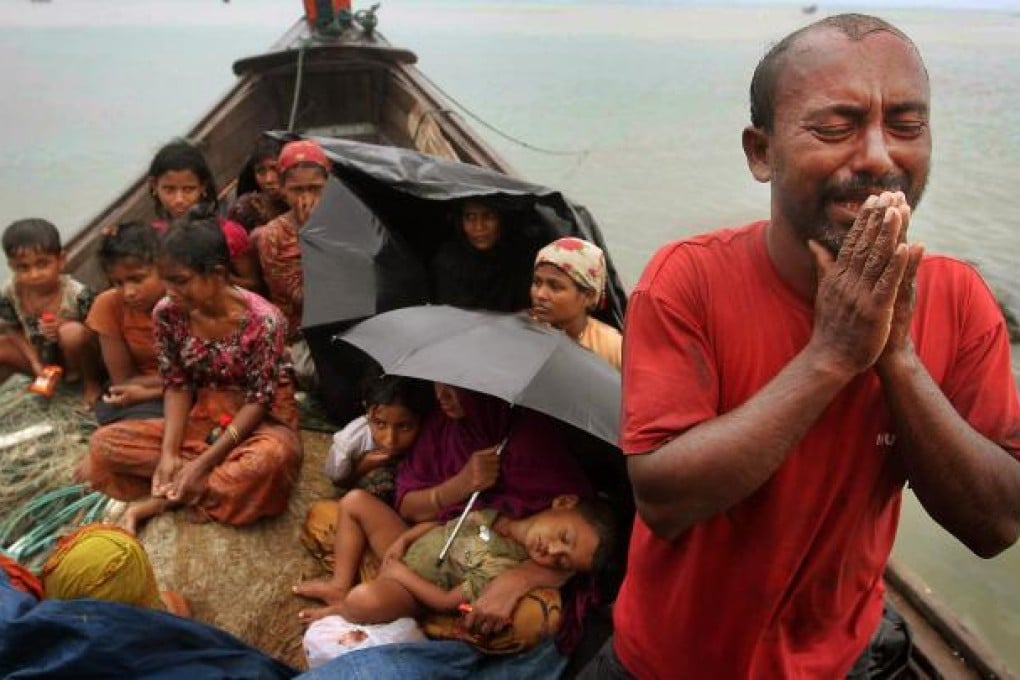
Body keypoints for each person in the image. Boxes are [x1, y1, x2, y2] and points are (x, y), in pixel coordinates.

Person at [588, 14, 1020, 679]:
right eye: (835, 127)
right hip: (671, 661)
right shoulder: (689, 281)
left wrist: (896, 356)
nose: (880, 157)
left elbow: (996, 524)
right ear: (761, 152)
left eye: (907, 126)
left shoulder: (960, 301)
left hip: (837, 660)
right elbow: (663, 500)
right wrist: (831, 356)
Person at [296, 384, 594, 642]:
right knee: (350, 503)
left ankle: (369, 605)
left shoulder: (531, 443)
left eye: (459, 387)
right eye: (439, 384)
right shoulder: (443, 424)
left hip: (454, 577)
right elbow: (410, 507)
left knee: (530, 621)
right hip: (430, 541)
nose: (443, 396)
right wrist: (460, 485)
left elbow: (578, 544)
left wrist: (520, 579)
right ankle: (340, 587)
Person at [86, 218, 303, 534]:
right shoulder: (167, 313)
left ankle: (164, 500)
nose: (171, 292)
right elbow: (177, 384)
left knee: (269, 461)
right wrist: (169, 454)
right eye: (167, 281)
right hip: (203, 417)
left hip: (260, 422)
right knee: (103, 445)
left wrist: (202, 464)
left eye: (181, 281)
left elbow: (259, 401)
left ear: (216, 274)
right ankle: (197, 483)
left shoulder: (266, 321)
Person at [298, 494, 615, 667]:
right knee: (354, 502)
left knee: (362, 600)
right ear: (562, 503)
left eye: (561, 560)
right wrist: (405, 539)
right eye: (563, 537)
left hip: (411, 588)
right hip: (408, 553)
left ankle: (342, 607)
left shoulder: (504, 567)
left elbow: (445, 601)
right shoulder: (498, 511)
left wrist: (399, 574)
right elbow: (442, 525)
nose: (552, 550)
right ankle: (340, 582)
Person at [0, 218, 101, 405]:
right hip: (43, 361)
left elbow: (102, 333)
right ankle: (49, 383)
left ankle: (90, 385)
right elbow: (12, 328)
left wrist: (64, 325)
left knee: (72, 333)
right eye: (23, 267)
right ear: (11, 267)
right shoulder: (10, 292)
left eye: (42, 264)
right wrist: (35, 363)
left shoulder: (78, 294)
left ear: (61, 260)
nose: (34, 274)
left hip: (82, 364)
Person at [256, 139, 331, 390]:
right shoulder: (273, 236)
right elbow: (303, 298)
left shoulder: (345, 225)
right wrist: (313, 237)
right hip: (302, 336)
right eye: (298, 190)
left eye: (315, 188)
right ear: (284, 190)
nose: (306, 198)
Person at [147, 139, 261, 291]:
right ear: (155, 186)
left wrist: (214, 276)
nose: (179, 199)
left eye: (188, 189)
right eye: (169, 190)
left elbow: (254, 285)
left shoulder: (229, 234)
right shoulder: (152, 236)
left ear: (203, 187)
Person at [86, 222, 166, 425]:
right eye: (118, 283)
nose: (128, 292)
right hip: (141, 393)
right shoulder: (109, 305)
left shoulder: (185, 301)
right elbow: (123, 379)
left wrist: (149, 392)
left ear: (164, 268)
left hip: (196, 391)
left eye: (137, 279)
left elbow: (206, 376)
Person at [324, 374, 434, 503]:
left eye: (404, 427)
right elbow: (338, 482)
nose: (390, 440)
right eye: (380, 424)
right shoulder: (351, 442)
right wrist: (362, 468)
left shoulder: (429, 437)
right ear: (367, 413)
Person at [530, 237, 622, 370]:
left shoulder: (614, 348)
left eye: (555, 286)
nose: (540, 294)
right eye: (537, 283)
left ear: (589, 296)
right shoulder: (523, 334)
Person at [430, 200, 535, 312]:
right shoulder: (448, 260)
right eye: (470, 217)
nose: (479, 227)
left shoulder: (522, 259)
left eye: (489, 216)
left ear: (502, 219)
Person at [227, 136, 289, 233]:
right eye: (261, 171)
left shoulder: (305, 198)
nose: (269, 179)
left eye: (275, 168)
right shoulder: (246, 210)